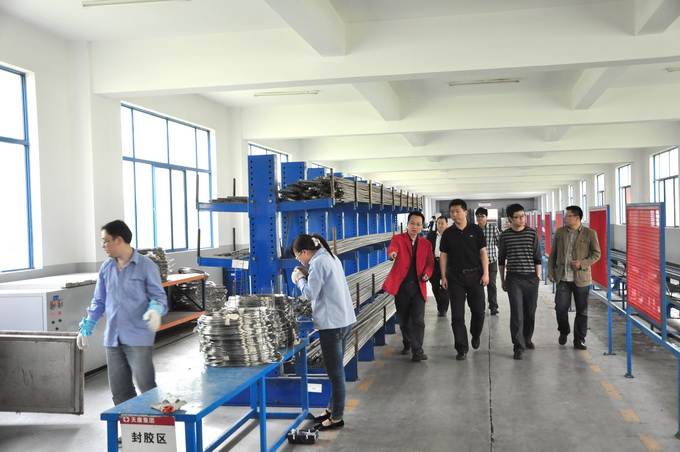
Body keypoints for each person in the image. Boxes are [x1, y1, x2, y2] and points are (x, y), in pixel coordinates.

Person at [76, 220, 168, 406]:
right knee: (119, 390)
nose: (103, 246)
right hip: (113, 338)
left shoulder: (146, 266)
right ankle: (129, 424)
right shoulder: (106, 267)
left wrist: (155, 310)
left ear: (119, 240)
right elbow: (99, 301)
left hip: (138, 337)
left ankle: (156, 423)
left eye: (105, 241)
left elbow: (159, 297)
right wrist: (87, 326)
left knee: (146, 387)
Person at [291, 233, 357, 431]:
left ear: (304, 252)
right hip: (343, 321)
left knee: (335, 374)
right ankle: (331, 409)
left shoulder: (318, 263)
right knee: (337, 371)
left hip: (332, 325)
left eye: (297, 256)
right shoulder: (329, 256)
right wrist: (307, 273)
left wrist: (299, 279)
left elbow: (309, 293)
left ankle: (337, 418)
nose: (298, 260)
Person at [440, 199, 489, 361]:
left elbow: (483, 253)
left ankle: (475, 334)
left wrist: (486, 274)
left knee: (479, 311)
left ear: (465, 212)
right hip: (455, 277)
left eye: (457, 211)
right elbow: (443, 256)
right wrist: (443, 276)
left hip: (475, 276)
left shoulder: (475, 230)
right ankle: (461, 348)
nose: (454, 215)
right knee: (457, 315)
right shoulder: (448, 233)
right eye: (452, 212)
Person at [382, 211, 434, 361]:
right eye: (412, 223)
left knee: (418, 320)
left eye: (418, 224)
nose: (414, 227)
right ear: (407, 224)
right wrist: (392, 253)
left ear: (422, 226)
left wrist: (427, 273)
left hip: (418, 287)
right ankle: (407, 342)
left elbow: (430, 263)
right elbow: (392, 248)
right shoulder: (398, 239)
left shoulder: (426, 244)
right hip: (402, 287)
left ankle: (417, 350)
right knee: (404, 320)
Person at [547, 205, 601, 350]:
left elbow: (596, 254)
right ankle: (564, 331)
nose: (565, 218)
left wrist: (582, 263)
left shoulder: (590, 233)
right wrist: (551, 271)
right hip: (563, 277)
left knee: (582, 311)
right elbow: (553, 253)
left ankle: (579, 339)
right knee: (560, 308)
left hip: (581, 279)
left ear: (577, 218)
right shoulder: (560, 232)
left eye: (568, 216)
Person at [498, 204, 542, 360]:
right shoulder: (505, 236)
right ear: (510, 219)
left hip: (531, 278)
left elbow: (537, 257)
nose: (521, 219)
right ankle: (518, 346)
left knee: (530, 311)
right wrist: (502, 280)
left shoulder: (532, 233)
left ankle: (527, 338)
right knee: (517, 312)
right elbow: (501, 259)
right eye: (517, 217)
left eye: (523, 216)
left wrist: (537, 277)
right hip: (514, 278)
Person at [475, 207, 501, 315]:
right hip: (477, 263)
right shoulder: (473, 230)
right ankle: (480, 307)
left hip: (491, 261)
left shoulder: (493, 229)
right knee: (478, 286)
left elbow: (499, 244)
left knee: (492, 284)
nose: (480, 219)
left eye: (482, 216)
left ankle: (493, 306)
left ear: (486, 217)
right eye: (478, 216)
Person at [426, 216, 450, 317]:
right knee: (435, 285)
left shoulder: (450, 235)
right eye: (438, 223)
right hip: (434, 263)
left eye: (442, 223)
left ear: (446, 224)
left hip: (447, 264)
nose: (440, 225)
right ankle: (440, 304)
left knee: (446, 286)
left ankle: (443, 308)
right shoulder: (431, 235)